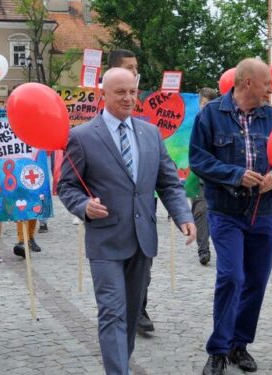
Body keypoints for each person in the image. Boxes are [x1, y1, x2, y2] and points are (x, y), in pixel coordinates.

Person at [58, 67, 195, 375]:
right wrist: (83, 206)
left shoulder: (150, 134)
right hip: (105, 240)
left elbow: (169, 182)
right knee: (112, 312)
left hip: (142, 239)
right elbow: (66, 185)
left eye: (132, 92)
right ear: (103, 94)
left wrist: (183, 216)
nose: (128, 98)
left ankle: (121, 361)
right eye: (120, 92)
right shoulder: (81, 137)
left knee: (131, 314)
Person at [190, 58, 272, 375]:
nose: (271, 90)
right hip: (226, 211)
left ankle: (239, 345)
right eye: (266, 84)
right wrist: (235, 175)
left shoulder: (271, 117)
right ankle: (218, 350)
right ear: (247, 82)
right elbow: (198, 159)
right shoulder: (211, 115)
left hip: (263, 214)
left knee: (257, 281)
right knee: (232, 277)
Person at [107, 48, 155, 336]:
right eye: (129, 68)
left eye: (136, 70)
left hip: (144, 205)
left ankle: (139, 308)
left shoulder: (143, 118)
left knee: (142, 266)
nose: (135, 75)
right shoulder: (95, 127)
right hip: (111, 217)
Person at [190, 87, 218, 265]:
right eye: (202, 104)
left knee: (216, 214)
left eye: (208, 104)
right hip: (195, 176)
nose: (204, 107)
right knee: (200, 211)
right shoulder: (190, 123)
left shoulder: (218, 123)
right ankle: (203, 250)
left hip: (214, 177)